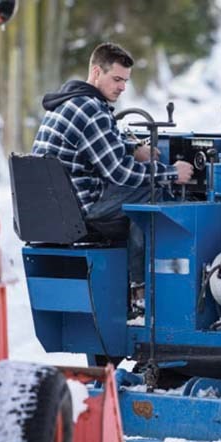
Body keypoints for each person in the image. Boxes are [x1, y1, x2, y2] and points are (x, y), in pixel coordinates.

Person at [32, 42, 192, 317]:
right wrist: (171, 174)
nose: (121, 87)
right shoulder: (92, 109)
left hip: (54, 208)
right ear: (96, 72)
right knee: (149, 194)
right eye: (116, 79)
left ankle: (135, 284)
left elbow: (97, 144)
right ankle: (141, 289)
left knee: (141, 187)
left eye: (125, 81)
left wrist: (133, 149)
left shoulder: (69, 102)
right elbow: (119, 173)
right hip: (80, 207)